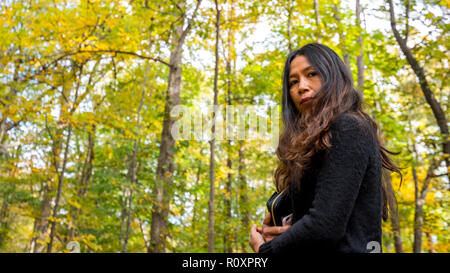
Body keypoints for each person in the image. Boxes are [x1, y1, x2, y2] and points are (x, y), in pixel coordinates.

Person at [249, 43, 402, 253]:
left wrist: (265, 251)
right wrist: (283, 233)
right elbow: (323, 225)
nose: (302, 86)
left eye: (312, 74)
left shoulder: (349, 127)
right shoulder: (318, 143)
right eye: (293, 82)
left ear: (333, 76)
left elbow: (325, 226)